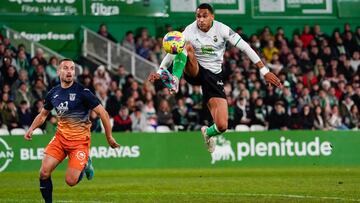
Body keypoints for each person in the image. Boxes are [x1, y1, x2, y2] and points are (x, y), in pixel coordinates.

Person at [148, 3, 281, 153]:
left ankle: (208, 133)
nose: (201, 19)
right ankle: (175, 80)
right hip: (195, 70)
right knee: (185, 46)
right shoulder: (189, 31)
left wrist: (264, 71)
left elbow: (245, 47)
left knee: (222, 125)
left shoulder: (222, 29)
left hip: (214, 76)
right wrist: (160, 71)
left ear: (212, 17)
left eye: (205, 16)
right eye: (198, 16)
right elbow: (173, 51)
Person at [24, 59, 119, 203]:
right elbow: (43, 115)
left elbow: (103, 113)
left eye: (72, 69)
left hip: (79, 143)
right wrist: (31, 128)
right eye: (65, 68)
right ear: (58, 71)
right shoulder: (53, 93)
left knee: (70, 181)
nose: (69, 71)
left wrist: (109, 137)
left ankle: (85, 162)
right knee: (43, 173)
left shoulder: (83, 92)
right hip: (60, 139)